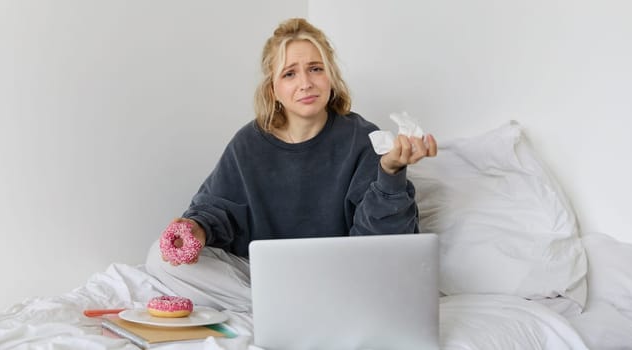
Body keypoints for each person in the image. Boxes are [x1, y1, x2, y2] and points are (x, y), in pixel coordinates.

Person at [145, 18, 438, 312]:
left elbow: (383, 244)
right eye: (289, 74)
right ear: (273, 89)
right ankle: (296, 308)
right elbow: (216, 208)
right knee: (158, 258)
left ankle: (286, 308)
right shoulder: (248, 143)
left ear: (331, 77)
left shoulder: (362, 138)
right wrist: (197, 228)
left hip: (339, 277)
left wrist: (390, 173)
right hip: (266, 278)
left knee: (386, 276)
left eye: (315, 68)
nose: (306, 83)